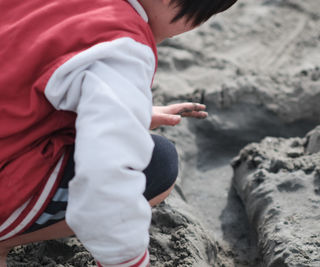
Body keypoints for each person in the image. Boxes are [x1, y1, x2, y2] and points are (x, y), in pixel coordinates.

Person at [0, 0, 237, 266]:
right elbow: (105, 178)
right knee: (158, 164)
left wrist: (133, 113)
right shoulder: (122, 44)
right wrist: (127, 260)